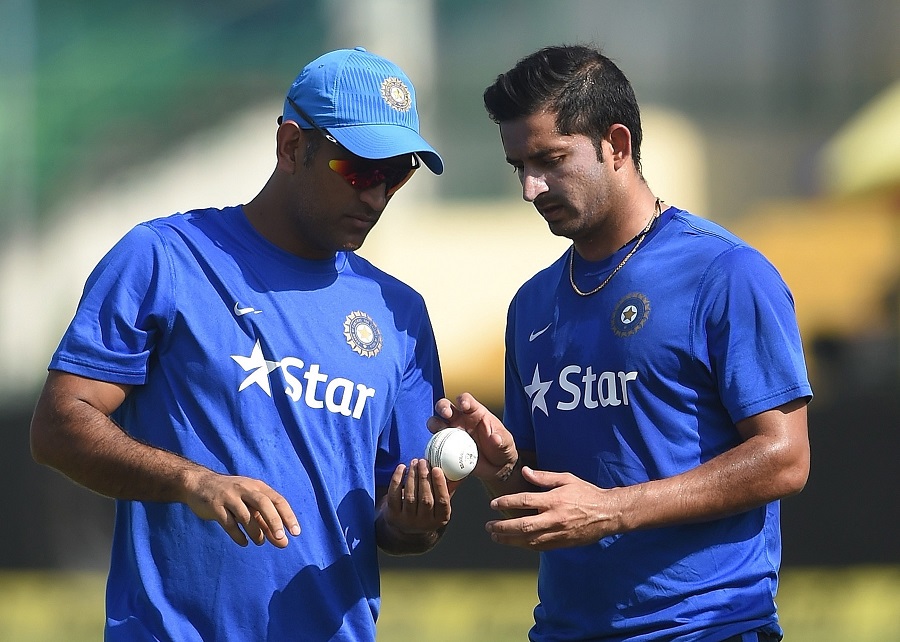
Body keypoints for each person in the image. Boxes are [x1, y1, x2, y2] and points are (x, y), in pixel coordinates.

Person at [30, 46, 454, 641]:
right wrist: (193, 481)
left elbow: (394, 520)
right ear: (290, 147)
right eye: (358, 171)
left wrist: (417, 520)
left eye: (395, 175)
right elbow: (57, 425)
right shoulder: (164, 257)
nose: (375, 196)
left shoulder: (399, 313)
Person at [431, 44, 812, 642]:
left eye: (550, 159)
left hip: (705, 629)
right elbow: (548, 500)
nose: (531, 189)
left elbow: (786, 458)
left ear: (617, 145)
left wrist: (612, 510)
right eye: (518, 167)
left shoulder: (727, 272)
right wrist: (501, 464)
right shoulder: (531, 305)